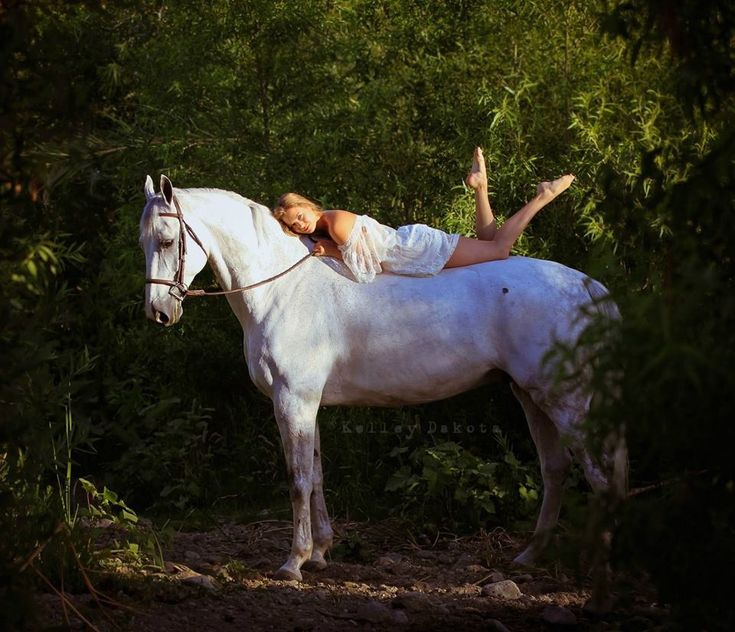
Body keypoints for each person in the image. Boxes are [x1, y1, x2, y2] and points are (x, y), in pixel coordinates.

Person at [272, 147, 574, 283]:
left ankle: (542, 196)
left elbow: (369, 270)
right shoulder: (327, 224)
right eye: (293, 225)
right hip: (409, 245)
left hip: (415, 249)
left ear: (308, 205)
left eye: (298, 215)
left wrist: (334, 253)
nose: (299, 224)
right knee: (490, 242)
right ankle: (481, 187)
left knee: (499, 249)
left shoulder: (336, 224)